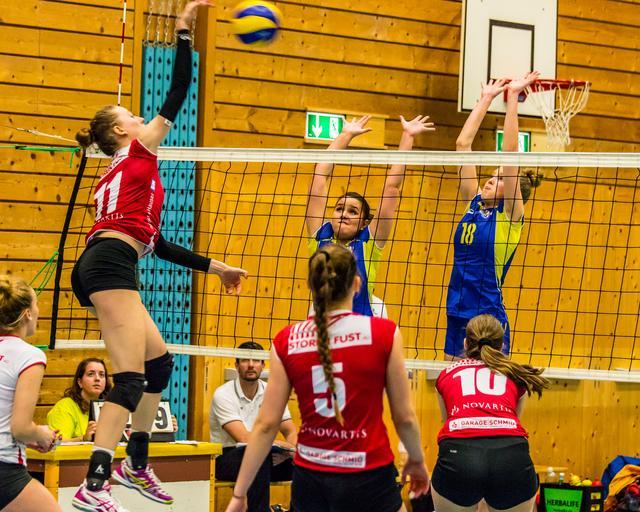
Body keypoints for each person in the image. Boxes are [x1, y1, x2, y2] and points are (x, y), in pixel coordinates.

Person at [70, 2, 247, 510]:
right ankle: (94, 484)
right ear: (122, 132)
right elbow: (178, 90)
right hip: (109, 264)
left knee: (161, 365)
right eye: (131, 116)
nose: (140, 118)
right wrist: (184, 30)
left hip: (109, 260)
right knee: (128, 380)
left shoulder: (119, 176)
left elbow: (157, 243)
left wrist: (217, 268)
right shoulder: (139, 151)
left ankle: (136, 463)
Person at [225, 244, 430, 512]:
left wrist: (240, 493)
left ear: (311, 286)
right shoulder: (384, 333)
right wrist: (416, 459)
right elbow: (404, 417)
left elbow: (265, 425)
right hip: (367, 472)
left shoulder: (287, 340)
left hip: (311, 476)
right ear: (357, 284)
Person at [446, 72, 543, 359]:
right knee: (450, 381)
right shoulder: (472, 204)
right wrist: (486, 99)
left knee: (492, 383)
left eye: (500, 178)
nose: (490, 179)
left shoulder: (510, 216)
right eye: (492, 175)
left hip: (488, 316)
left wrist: (513, 99)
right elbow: (462, 145)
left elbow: (510, 154)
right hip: (457, 309)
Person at [306, 114, 435, 317]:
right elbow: (319, 177)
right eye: (339, 209)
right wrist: (345, 135)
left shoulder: (368, 244)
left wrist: (407, 136)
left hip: (360, 327)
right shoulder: (320, 236)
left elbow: (392, 188)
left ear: (364, 223)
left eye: (352, 211)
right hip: (322, 326)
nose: (343, 215)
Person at [431, 313, 549, 512]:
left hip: (460, 457)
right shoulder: (516, 375)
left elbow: (447, 421)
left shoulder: (446, 375)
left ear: (466, 343)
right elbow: (513, 422)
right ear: (502, 345)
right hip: (511, 458)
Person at [210, 341, 297, 512]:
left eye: (256, 360)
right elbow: (243, 438)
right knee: (257, 457)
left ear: (263, 365)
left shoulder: (272, 392)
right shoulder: (223, 394)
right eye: (245, 360)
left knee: (305, 464)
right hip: (228, 458)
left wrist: (292, 451)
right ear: (236, 365)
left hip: (268, 454)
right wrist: (280, 446)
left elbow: (290, 430)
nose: (251, 365)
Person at [0, 275, 61, 512]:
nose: (38, 311)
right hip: (5, 471)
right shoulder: (29, 355)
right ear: (27, 313)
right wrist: (42, 434)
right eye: (36, 304)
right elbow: (20, 428)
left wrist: (29, 439)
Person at [47, 358, 111, 442]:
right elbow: (57, 442)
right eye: (91, 374)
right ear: (80, 382)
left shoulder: (110, 406)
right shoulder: (64, 407)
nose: (97, 378)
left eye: (102, 375)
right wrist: (83, 438)